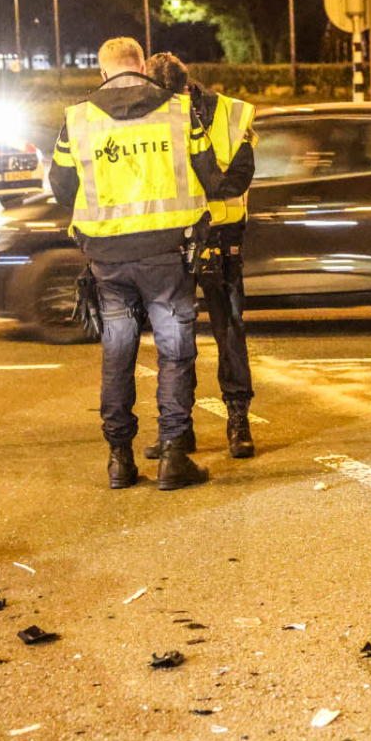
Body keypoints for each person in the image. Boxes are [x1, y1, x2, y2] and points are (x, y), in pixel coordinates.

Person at [49, 37, 226, 490]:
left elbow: (62, 189)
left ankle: (120, 460)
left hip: (108, 258)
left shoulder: (78, 118)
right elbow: (211, 177)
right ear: (142, 67)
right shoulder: (178, 110)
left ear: (104, 73)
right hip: (168, 254)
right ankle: (171, 456)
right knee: (174, 352)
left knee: (118, 353)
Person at [144, 53, 258, 459]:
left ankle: (238, 421)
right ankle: (179, 429)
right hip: (174, 240)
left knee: (230, 333)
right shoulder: (155, 118)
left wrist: (199, 181)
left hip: (221, 236)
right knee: (175, 338)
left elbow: (237, 178)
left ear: (185, 90)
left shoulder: (228, 113)